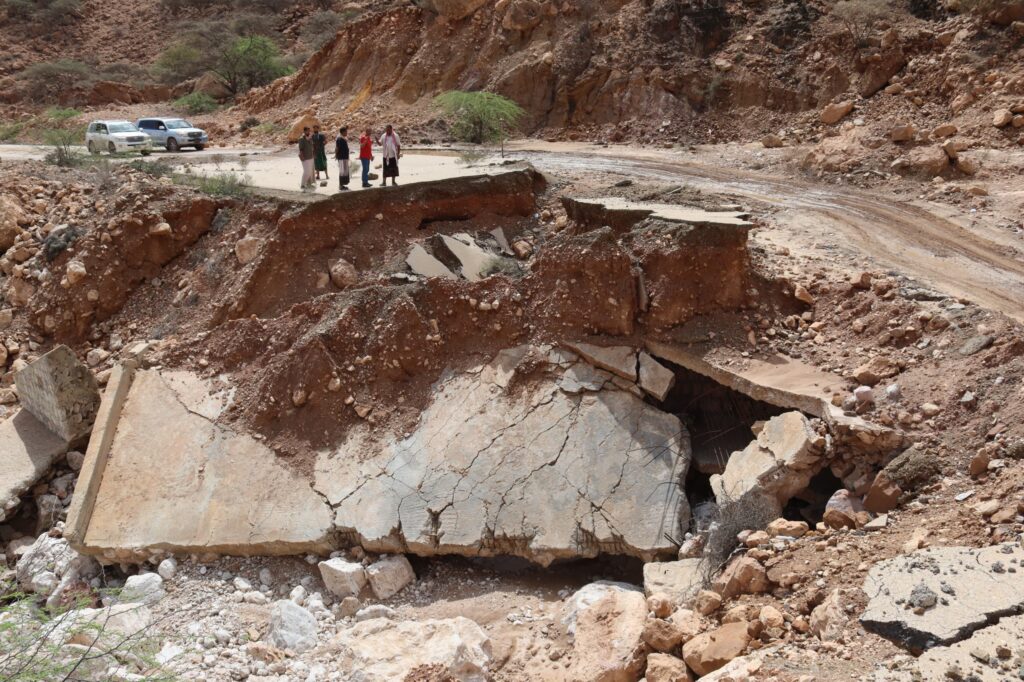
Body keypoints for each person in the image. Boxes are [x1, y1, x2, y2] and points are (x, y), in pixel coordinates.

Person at [298, 127, 315, 192]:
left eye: (309, 131)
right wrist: (302, 157)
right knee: (306, 171)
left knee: (310, 171)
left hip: (311, 157)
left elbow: (312, 147)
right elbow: (301, 149)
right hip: (305, 158)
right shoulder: (301, 139)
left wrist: (314, 154)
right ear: (304, 131)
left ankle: (306, 183)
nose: (308, 132)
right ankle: (302, 184)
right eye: (307, 131)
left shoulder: (310, 138)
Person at [334, 126, 350, 191]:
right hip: (341, 157)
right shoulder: (339, 139)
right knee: (342, 171)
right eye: (346, 131)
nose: (347, 133)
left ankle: (343, 184)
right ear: (343, 132)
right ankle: (340, 185)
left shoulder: (343, 138)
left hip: (345, 157)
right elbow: (337, 148)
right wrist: (335, 155)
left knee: (345, 171)